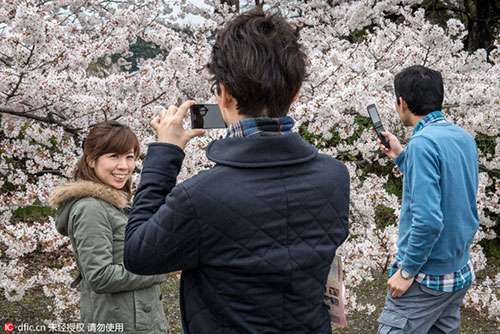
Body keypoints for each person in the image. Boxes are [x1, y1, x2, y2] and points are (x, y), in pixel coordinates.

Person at [123, 7, 350, 334]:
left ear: (224, 94)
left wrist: (165, 153)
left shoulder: (200, 196)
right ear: (297, 93)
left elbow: (137, 254)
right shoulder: (335, 175)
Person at [377, 65, 479, 334]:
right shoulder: (464, 138)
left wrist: (407, 272)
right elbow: (451, 190)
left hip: (426, 278)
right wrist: (402, 156)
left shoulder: (423, 144)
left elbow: (429, 221)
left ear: (402, 103)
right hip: (458, 270)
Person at [48, 121, 169, 334]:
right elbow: (100, 276)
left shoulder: (114, 204)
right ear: (92, 160)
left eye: (129, 157)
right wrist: (158, 268)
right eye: (114, 156)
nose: (124, 166)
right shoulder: (91, 208)